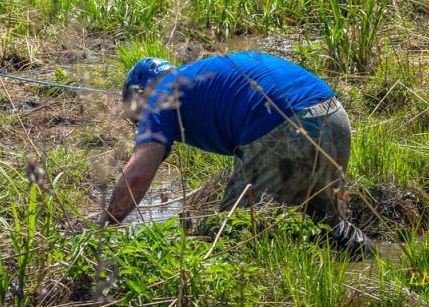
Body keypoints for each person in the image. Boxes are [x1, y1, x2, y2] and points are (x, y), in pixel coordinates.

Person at [103, 52, 372, 255]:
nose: (140, 124)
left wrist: (104, 227)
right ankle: (377, 263)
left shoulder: (160, 95)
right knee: (326, 228)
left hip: (286, 126)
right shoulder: (194, 76)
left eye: (136, 117)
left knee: (230, 237)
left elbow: (138, 175)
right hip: (333, 115)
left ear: (139, 94)